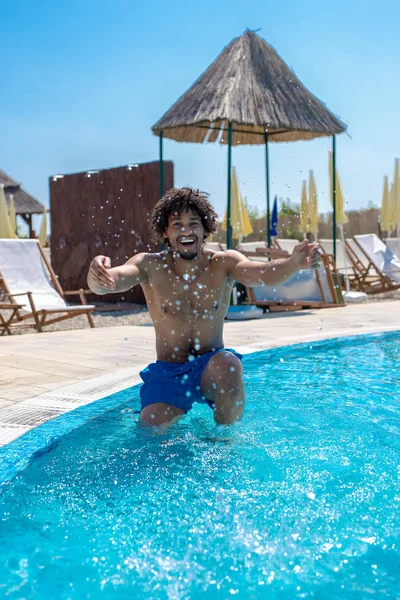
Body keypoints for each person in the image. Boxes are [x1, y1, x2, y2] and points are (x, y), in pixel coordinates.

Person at [87, 187, 321, 427]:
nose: (186, 231)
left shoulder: (223, 263)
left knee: (228, 364)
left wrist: (294, 264)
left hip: (210, 370)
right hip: (170, 371)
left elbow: (263, 273)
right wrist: (98, 275)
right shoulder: (150, 265)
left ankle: (225, 441)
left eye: (193, 223)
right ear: (165, 232)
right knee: (151, 432)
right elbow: (110, 282)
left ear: (205, 228)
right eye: (177, 224)